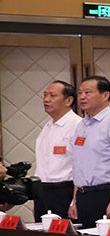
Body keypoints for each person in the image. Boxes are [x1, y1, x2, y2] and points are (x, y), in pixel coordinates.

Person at [69, 76, 110, 225]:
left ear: (105, 95)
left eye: (88, 92)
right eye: (80, 93)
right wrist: (74, 200)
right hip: (83, 195)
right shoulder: (81, 125)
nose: (82, 97)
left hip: (105, 193)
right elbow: (79, 165)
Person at [31, 80, 81, 220]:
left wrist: (74, 201)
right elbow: (41, 166)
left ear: (68, 100)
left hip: (64, 191)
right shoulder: (47, 127)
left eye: (52, 95)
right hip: (43, 191)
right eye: (45, 95)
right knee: (42, 232)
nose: (46, 99)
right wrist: (37, 198)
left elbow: (82, 166)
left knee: (64, 232)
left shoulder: (78, 125)